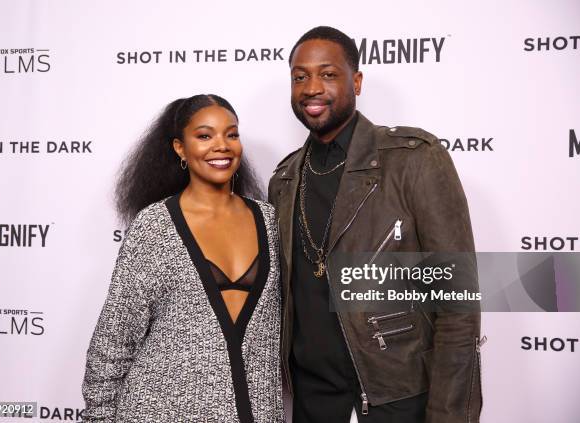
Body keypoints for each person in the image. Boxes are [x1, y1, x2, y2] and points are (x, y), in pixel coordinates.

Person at [268, 27, 484, 423]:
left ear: (357, 80)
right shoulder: (283, 180)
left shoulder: (414, 161)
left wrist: (450, 415)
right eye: (300, 77)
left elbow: (458, 304)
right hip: (313, 403)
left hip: (398, 399)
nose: (312, 87)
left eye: (328, 74)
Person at [82, 94, 284, 423]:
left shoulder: (271, 221)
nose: (222, 145)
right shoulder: (154, 227)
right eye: (205, 136)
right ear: (180, 148)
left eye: (231, 134)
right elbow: (112, 342)